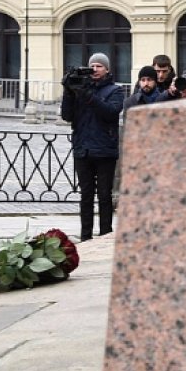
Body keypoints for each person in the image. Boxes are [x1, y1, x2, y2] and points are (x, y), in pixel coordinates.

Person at [60, 52, 124, 241]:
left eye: (99, 66)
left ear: (107, 69)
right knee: (85, 196)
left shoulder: (115, 90)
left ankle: (105, 235)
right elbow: (67, 115)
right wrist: (69, 92)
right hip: (83, 148)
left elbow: (111, 112)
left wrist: (87, 94)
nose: (95, 69)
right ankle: (85, 237)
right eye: (92, 66)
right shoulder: (80, 89)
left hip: (105, 150)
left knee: (104, 196)